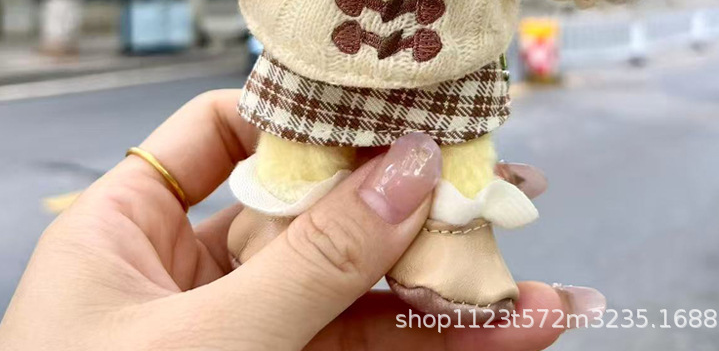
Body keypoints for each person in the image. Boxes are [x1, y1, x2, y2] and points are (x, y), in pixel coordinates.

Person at [0, 89, 605, 349]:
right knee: (301, 152)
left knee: (454, 150)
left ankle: (453, 220)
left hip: (451, 96)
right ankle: (281, 214)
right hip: (311, 96)